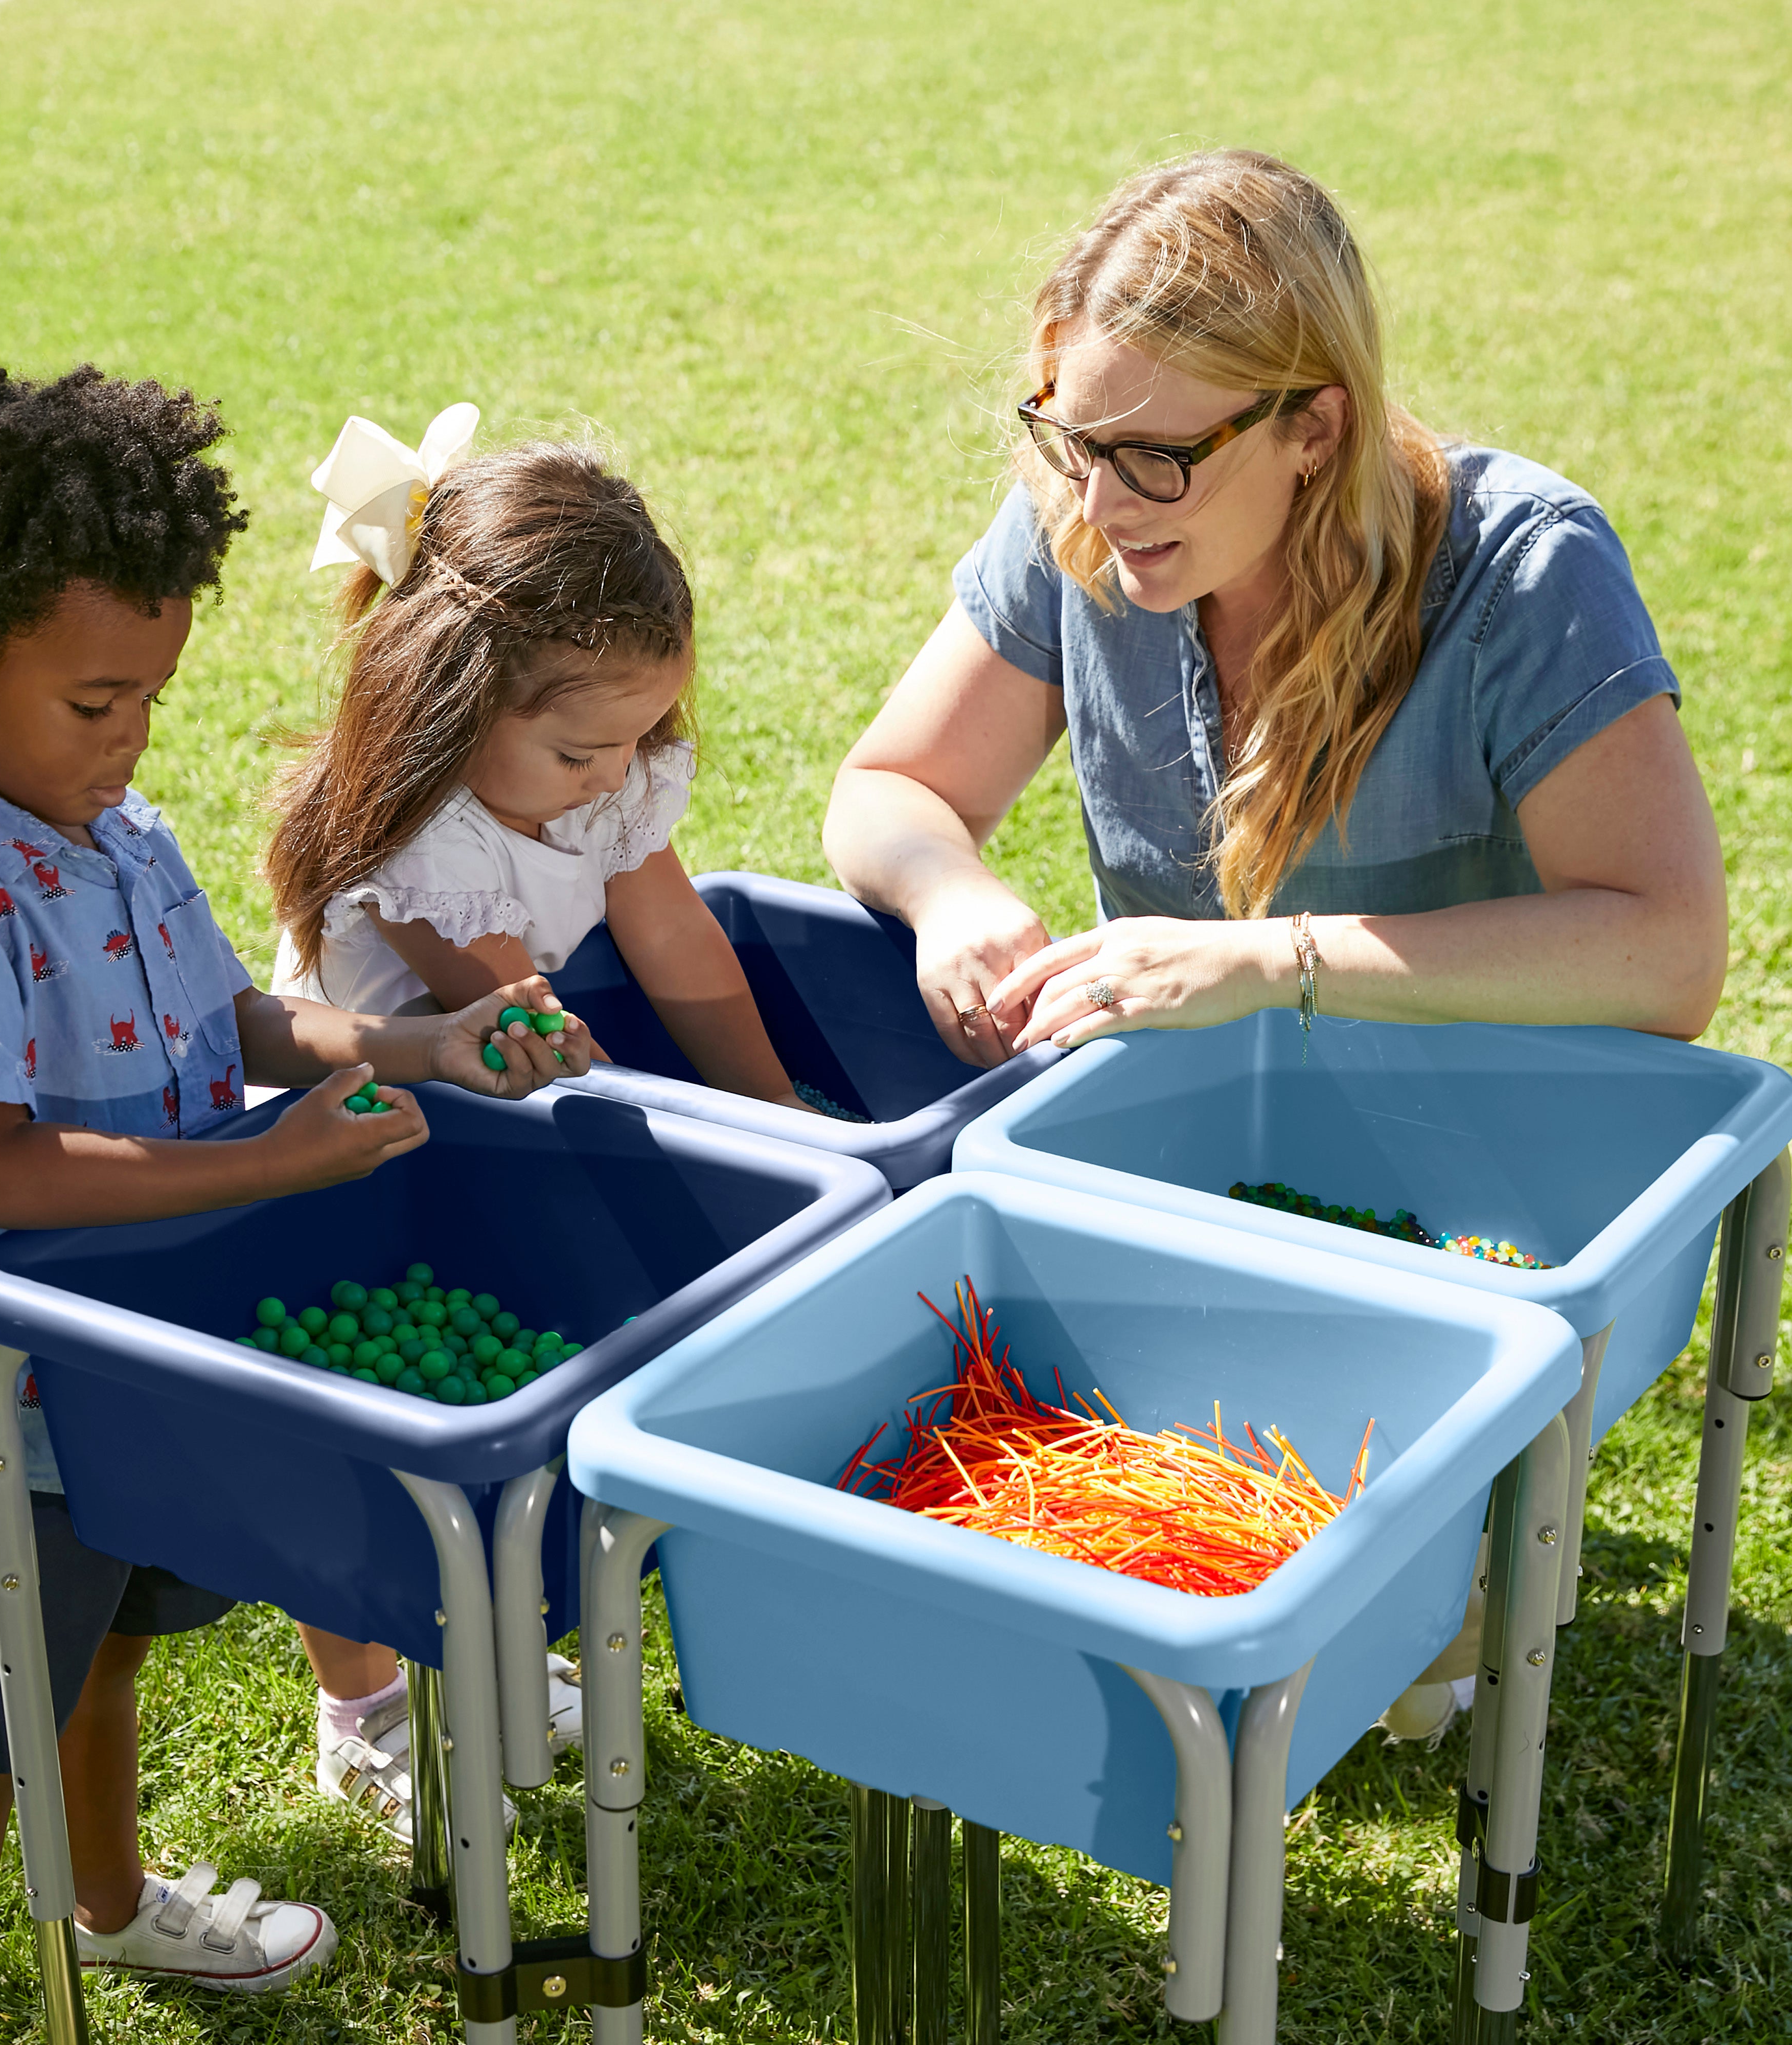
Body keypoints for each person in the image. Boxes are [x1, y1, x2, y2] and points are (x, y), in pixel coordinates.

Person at [821, 149, 1727, 1735]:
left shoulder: (1522, 571)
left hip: (1471, 1203)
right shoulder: (1089, 524)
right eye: (1073, 438)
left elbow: (1665, 952)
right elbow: (890, 788)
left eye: (1157, 457)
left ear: (1314, 425)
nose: (1101, 507)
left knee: (1385, 1663)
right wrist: (950, 895)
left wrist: (1277, 958)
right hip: (1197, 1165)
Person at [0, 365, 589, 2044]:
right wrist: (262, 1163)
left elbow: (234, 1020)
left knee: (102, 1653)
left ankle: (108, 1904)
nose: (133, 736)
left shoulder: (116, 824)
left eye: (148, 695)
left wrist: (419, 1040)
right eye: (97, 702)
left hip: (116, 1366)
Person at [263, 410, 817, 1838]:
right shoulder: (415, 839)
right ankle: (365, 1706)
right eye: (585, 748)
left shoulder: (595, 780)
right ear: (454, 703)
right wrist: (687, 1140)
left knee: (493, 1395)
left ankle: (490, 1649)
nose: (620, 775)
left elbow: (680, 941)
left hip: (494, 1123)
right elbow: (512, 1010)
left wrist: (782, 1112)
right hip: (364, 1134)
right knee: (369, 1432)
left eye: (642, 739)